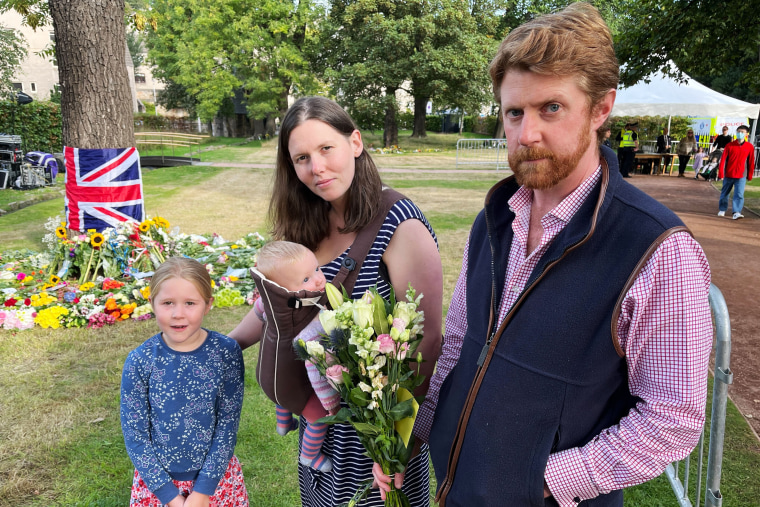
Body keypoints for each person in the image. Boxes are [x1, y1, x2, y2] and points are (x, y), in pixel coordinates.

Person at [376, 4, 713, 506]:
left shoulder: (657, 250)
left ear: (601, 108)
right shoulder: (494, 219)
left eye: (550, 108)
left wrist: (542, 481)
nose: (526, 134)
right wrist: (413, 435)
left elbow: (673, 418)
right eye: (515, 112)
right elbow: (461, 348)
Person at [228, 96, 443, 506]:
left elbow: (427, 343)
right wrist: (223, 344)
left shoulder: (400, 224)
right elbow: (276, 307)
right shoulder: (303, 224)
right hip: (323, 427)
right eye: (302, 158)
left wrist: (400, 441)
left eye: (327, 148)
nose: (317, 168)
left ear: (356, 143)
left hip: (378, 431)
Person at [120, 257, 247, 507]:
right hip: (157, 486)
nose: (178, 314)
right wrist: (170, 497)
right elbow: (135, 435)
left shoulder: (226, 353)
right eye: (167, 303)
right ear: (152, 304)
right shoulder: (139, 361)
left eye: (190, 303)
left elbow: (227, 424)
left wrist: (202, 492)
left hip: (215, 483)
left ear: (208, 305)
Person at [253, 240, 339, 473]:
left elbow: (259, 309)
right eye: (306, 280)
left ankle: (283, 424)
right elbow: (314, 367)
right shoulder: (312, 321)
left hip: (267, 376)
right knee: (318, 417)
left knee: (282, 395)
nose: (319, 279)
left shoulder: (273, 303)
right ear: (284, 288)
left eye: (317, 269)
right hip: (291, 384)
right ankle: (309, 456)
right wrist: (329, 401)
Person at [717, 124, 755, 220]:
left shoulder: (749, 147)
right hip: (729, 173)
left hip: (741, 174)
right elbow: (723, 160)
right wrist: (721, 173)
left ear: (746, 134)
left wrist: (750, 175)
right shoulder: (729, 145)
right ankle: (722, 209)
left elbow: (751, 161)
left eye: (742, 132)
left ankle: (736, 212)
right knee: (725, 193)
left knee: (739, 194)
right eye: (738, 132)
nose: (740, 134)